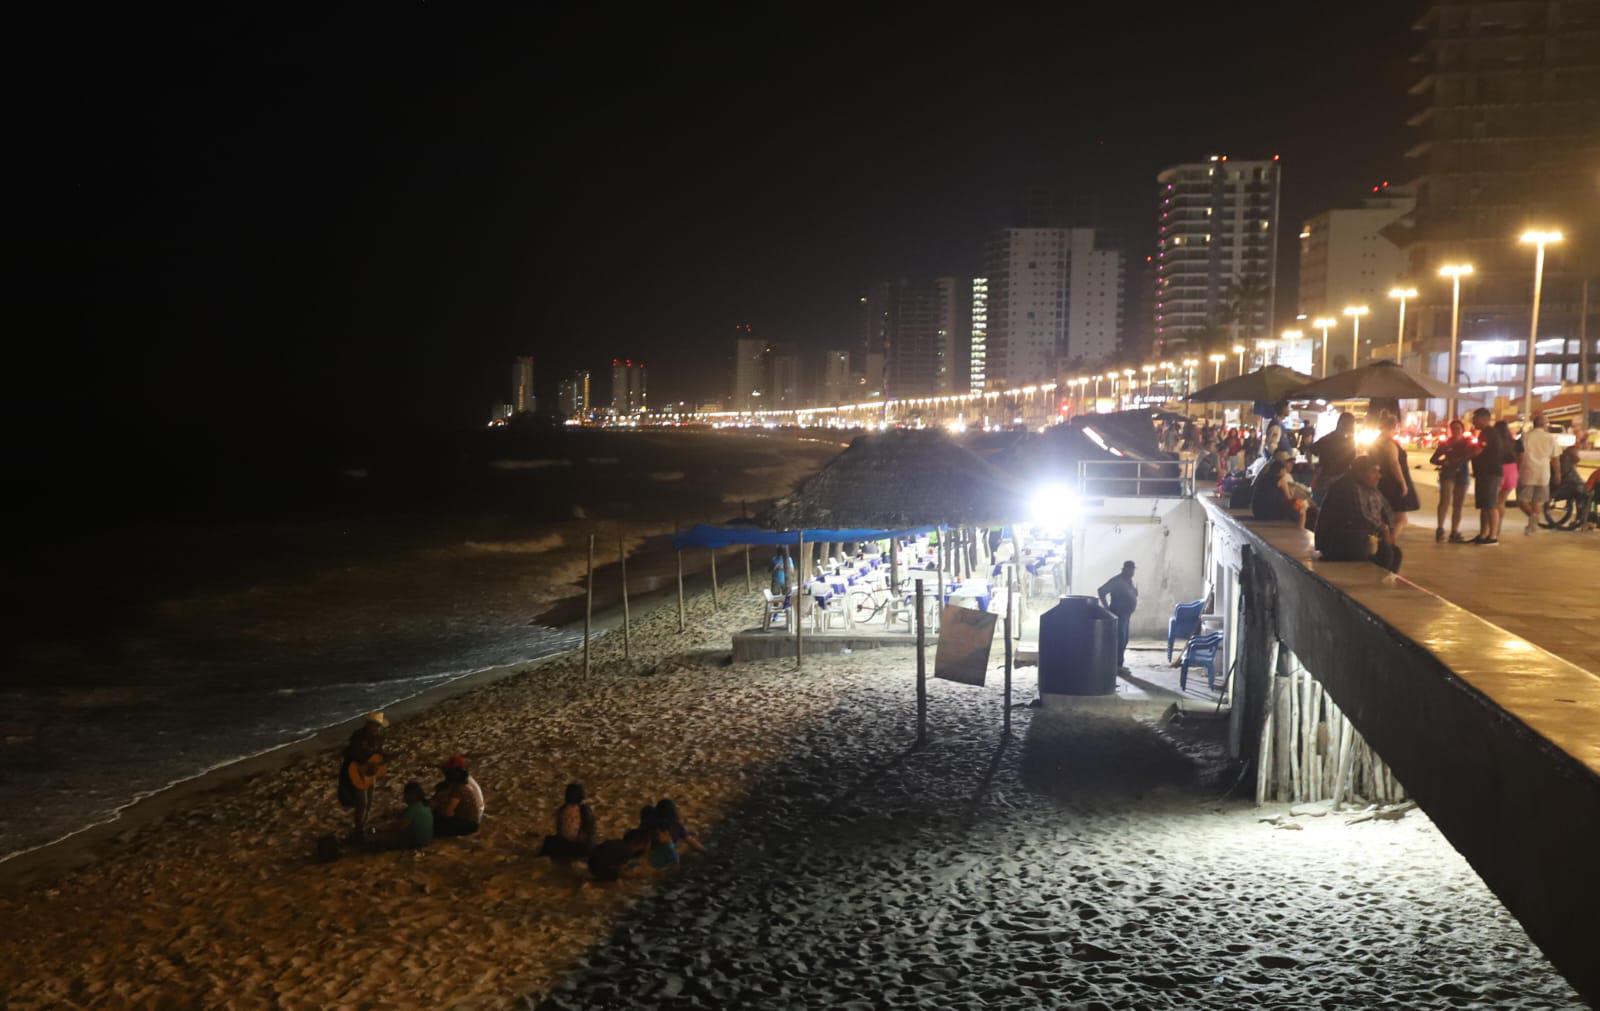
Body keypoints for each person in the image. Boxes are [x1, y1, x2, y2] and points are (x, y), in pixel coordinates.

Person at [1314, 455, 1402, 573]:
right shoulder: (1348, 487)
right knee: (1379, 549)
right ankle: (1378, 579)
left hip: (1355, 535)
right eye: (1374, 472)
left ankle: (1384, 577)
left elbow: (1386, 510)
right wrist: (1383, 529)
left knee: (1395, 553)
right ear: (1360, 473)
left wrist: (1390, 530)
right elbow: (1361, 516)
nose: (1379, 476)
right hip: (1334, 542)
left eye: (1379, 472)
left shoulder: (1370, 487)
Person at [337, 712, 389, 841]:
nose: (377, 728)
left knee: (369, 803)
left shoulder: (378, 738)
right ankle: (358, 830)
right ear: (368, 724)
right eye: (375, 725)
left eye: (378, 726)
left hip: (370, 774)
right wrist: (365, 764)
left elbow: (379, 754)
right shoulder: (357, 737)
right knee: (362, 803)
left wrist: (380, 761)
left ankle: (361, 828)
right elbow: (351, 755)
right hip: (356, 772)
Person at [1372, 411, 1420, 536]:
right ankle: (1389, 544)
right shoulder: (1389, 443)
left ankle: (1384, 543)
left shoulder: (1377, 442)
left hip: (1381, 481)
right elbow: (1394, 463)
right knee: (1400, 518)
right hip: (1392, 483)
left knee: (1387, 516)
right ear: (1394, 426)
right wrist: (1403, 483)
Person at [1429, 419, 1473, 542]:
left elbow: (1474, 454)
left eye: (1458, 428)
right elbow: (1433, 459)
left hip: (1462, 474)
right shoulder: (1446, 443)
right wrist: (1444, 462)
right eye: (1453, 429)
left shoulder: (1467, 443)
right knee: (1445, 501)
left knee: (1458, 505)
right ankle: (1440, 528)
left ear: (1462, 430)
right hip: (1448, 473)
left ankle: (1454, 531)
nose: (1456, 431)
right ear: (1450, 430)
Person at [1467, 408, 1506, 545]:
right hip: (1484, 473)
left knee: (1490, 504)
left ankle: (1493, 536)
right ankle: (1483, 534)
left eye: (1475, 418)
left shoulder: (1489, 433)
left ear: (1483, 419)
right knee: (1484, 505)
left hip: (1490, 473)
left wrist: (1462, 457)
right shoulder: (1485, 433)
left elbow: (1478, 450)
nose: (1473, 421)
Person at [1516, 413, 1558, 535]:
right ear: (1544, 424)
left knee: (1522, 500)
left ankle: (1532, 521)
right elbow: (1555, 458)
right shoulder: (1551, 438)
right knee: (1537, 501)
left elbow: (1519, 455)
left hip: (1527, 471)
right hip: (1544, 473)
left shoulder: (1525, 437)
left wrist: (1517, 468)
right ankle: (1533, 523)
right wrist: (1557, 473)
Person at [1096, 560, 1138, 674]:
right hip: (1119, 613)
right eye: (1130, 569)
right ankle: (1115, 665)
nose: (1132, 571)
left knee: (1124, 640)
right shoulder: (1117, 581)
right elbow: (1101, 591)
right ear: (1124, 569)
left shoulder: (1128, 581)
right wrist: (1107, 609)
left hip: (1126, 614)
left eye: (1133, 569)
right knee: (1119, 640)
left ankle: (1119, 664)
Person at [538, 782, 597, 861]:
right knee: (549, 841)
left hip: (579, 845)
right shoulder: (564, 809)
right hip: (567, 843)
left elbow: (589, 832)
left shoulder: (583, 811)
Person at [1250, 451, 1308, 528]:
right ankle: (1300, 529)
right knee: (1300, 508)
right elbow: (1288, 497)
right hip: (1271, 513)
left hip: (1258, 512)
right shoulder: (1281, 480)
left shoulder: (1263, 478)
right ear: (1281, 470)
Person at [371, 781, 434, 851]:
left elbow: (400, 826)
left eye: (406, 794)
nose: (405, 797)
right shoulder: (425, 806)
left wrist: (383, 828)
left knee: (379, 838)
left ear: (411, 795)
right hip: (427, 840)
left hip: (416, 843)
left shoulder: (412, 809)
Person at [431, 754, 484, 837]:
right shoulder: (465, 783)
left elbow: (448, 812)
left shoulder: (459, 788)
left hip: (469, 822)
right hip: (473, 818)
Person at [1310, 412, 1358, 505]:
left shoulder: (1327, 438)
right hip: (1341, 478)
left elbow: (1310, 451)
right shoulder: (1349, 441)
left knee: (1323, 506)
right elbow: (1352, 459)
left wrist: (1313, 467)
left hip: (1325, 477)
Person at [1494, 419, 1519, 541]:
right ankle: (1498, 529)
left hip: (1499, 470)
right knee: (1501, 502)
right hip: (1512, 470)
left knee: (1494, 502)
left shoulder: (1495, 442)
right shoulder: (1513, 442)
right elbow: (1521, 458)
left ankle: (1493, 530)